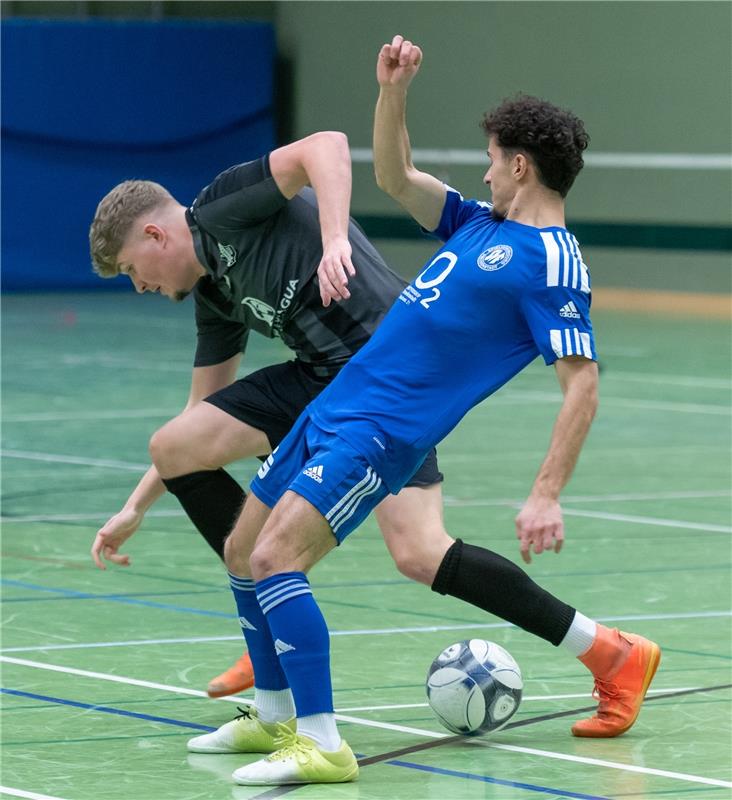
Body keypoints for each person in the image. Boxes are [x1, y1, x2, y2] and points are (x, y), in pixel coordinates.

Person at [185, 35, 662, 787]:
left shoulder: (552, 260)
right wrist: (392, 92)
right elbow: (395, 175)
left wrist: (545, 493)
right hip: (337, 404)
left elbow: (584, 382)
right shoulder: (480, 223)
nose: (482, 169)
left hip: (383, 433)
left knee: (280, 557)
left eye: (490, 157)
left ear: (519, 165)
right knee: (244, 549)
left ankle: (322, 742)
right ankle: (274, 716)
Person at [88, 130, 445, 697]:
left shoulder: (222, 207)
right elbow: (198, 413)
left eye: (134, 269)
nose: (140, 286)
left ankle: (602, 648)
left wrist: (334, 242)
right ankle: (270, 634)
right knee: (179, 445)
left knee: (420, 554)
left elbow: (324, 145)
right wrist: (135, 507)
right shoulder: (213, 294)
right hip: (320, 382)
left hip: (386, 373)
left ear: (156, 235)